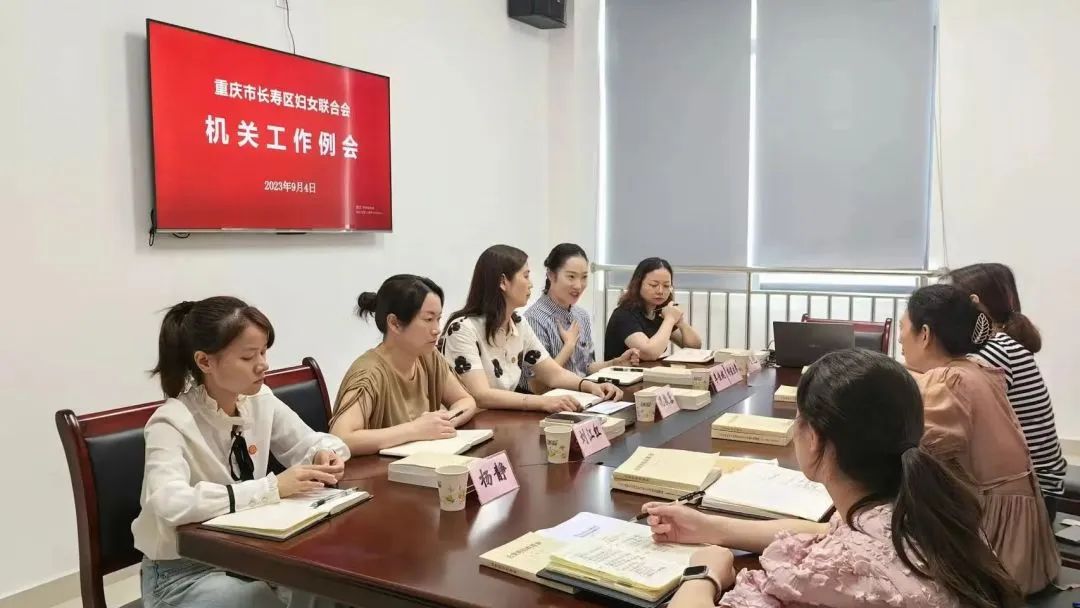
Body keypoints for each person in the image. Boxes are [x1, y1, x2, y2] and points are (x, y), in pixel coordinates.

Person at [643, 349, 1022, 608]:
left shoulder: (834, 571)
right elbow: (827, 531)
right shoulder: (930, 510)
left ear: (815, 438)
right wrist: (711, 527)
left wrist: (704, 572)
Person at [133, 297, 351, 608]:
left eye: (263, 352)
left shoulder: (259, 400)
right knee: (252, 599)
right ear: (205, 362)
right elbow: (168, 502)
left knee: (326, 581)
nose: (263, 364)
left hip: (252, 556)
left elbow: (316, 442)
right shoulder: (171, 422)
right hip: (182, 572)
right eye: (249, 356)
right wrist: (270, 488)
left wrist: (323, 455)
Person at [899, 283, 1059, 594]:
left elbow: (915, 454)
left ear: (925, 334)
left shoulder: (948, 381)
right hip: (1023, 536)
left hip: (995, 549)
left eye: (903, 328)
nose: (900, 340)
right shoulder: (977, 369)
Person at [440, 244, 622, 412]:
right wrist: (543, 402)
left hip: (505, 419)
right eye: (526, 276)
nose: (531, 284)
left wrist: (590, 386)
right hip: (474, 425)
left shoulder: (518, 323)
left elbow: (553, 373)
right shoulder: (462, 329)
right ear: (503, 282)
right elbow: (481, 395)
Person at [946, 263, 1066, 517]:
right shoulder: (1003, 344)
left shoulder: (994, 353)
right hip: (1032, 485)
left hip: (1027, 495)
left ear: (974, 303)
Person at [329, 275, 478, 455]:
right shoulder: (369, 374)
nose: (437, 329)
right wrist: (415, 430)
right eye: (428, 319)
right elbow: (341, 438)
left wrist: (443, 422)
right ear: (395, 323)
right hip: (380, 470)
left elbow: (465, 401)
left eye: (438, 319)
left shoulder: (429, 356)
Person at [523, 243, 640, 391]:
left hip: (583, 394)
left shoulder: (581, 315)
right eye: (571, 277)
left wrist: (615, 363)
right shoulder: (534, 319)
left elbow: (585, 367)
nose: (578, 285)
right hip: (551, 399)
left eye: (584, 277)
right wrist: (568, 346)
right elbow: (538, 386)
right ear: (551, 275)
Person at [604, 257, 703, 361]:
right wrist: (670, 319)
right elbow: (649, 353)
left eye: (666, 286)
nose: (660, 291)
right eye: (653, 285)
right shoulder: (624, 315)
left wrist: (680, 321)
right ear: (638, 284)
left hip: (650, 370)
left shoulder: (660, 312)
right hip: (624, 371)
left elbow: (694, 347)